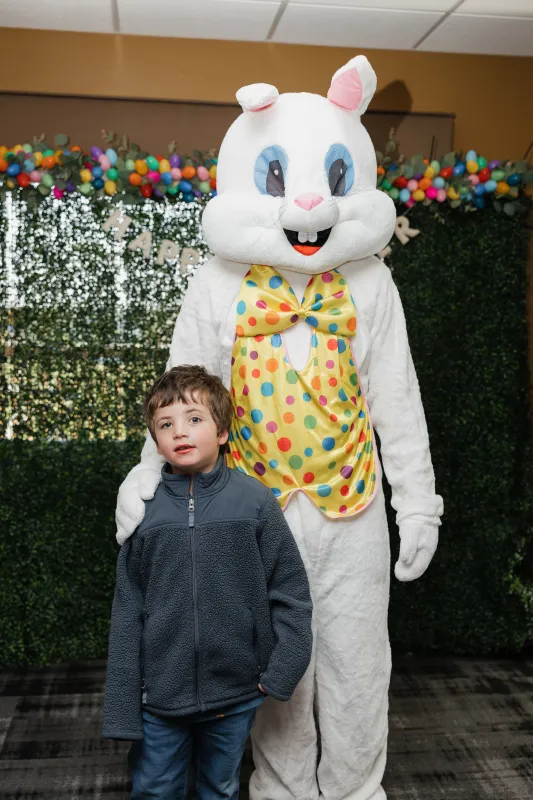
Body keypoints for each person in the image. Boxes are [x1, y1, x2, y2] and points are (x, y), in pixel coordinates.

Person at [102, 364, 313, 800]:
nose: (179, 431)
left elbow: (290, 592)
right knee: (155, 790)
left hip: (235, 692)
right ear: (156, 441)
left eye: (194, 419)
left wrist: (280, 672)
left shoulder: (254, 502)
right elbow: (127, 613)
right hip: (158, 698)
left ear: (221, 432)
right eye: (166, 424)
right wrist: (124, 704)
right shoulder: (144, 514)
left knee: (219, 788)